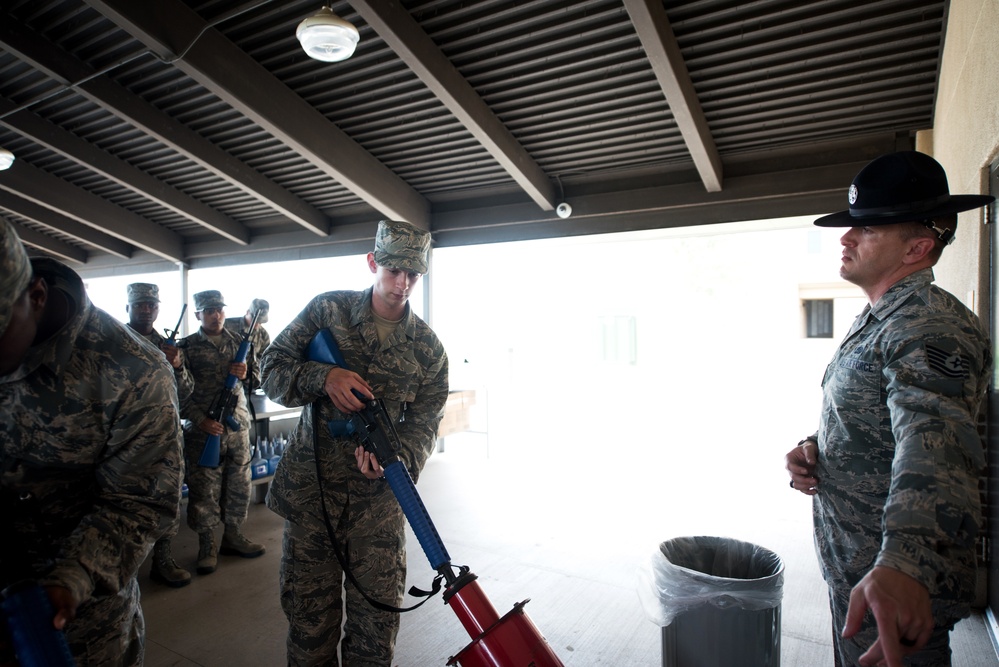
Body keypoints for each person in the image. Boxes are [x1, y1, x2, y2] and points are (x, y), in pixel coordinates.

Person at [784, 151, 994, 667]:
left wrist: (905, 563)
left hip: (895, 585)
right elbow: (875, 414)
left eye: (868, 229)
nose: (846, 237)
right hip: (858, 569)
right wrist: (816, 446)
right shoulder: (882, 317)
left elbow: (937, 448)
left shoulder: (928, 327)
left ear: (918, 247)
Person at [260, 219, 449, 665]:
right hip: (313, 499)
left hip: (378, 509)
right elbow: (272, 369)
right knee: (310, 630)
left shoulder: (428, 348)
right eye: (393, 270)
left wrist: (396, 459)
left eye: (413, 274)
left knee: (374, 634)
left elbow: (425, 421)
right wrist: (323, 376)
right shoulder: (328, 311)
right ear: (372, 263)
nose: (402, 284)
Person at [0, 219, 184, 665]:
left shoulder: (132, 370)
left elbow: (138, 502)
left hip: (75, 615)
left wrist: (73, 577)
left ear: (36, 297)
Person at [179, 289, 265, 576]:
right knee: (204, 488)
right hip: (204, 429)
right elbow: (178, 392)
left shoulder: (239, 343)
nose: (216, 315)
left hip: (236, 427)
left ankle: (233, 535)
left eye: (219, 309)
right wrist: (199, 420)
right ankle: (207, 545)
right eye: (209, 310)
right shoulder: (187, 347)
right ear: (198, 315)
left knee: (239, 482)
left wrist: (245, 373)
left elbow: (255, 379)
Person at [125, 282, 194, 588]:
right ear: (128, 306)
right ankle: (124, 562)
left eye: (151, 305)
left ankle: (162, 560)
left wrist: (177, 364)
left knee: (167, 496)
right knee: (124, 497)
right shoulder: (115, 340)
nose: (146, 309)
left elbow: (187, 392)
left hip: (166, 435)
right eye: (140, 304)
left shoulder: (168, 345)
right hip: (125, 436)